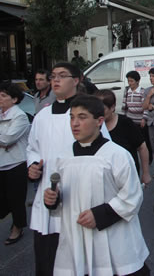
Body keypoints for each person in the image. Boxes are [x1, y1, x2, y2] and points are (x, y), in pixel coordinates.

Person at [43, 95, 149, 275]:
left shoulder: (116, 155)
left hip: (113, 238)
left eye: (82, 117)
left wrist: (100, 214)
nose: (74, 123)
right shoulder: (63, 157)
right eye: (72, 117)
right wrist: (52, 199)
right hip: (76, 238)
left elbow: (132, 195)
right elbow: (60, 196)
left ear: (99, 121)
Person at [27, 62, 110, 275]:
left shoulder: (87, 114)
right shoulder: (42, 117)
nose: (55, 80)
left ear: (76, 80)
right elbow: (33, 148)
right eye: (53, 76)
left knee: (79, 259)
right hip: (48, 194)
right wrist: (33, 166)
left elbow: (105, 151)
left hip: (79, 197)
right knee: (47, 259)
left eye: (62, 76)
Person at [95, 89, 151, 184]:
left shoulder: (125, 123)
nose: (98, 113)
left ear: (112, 107)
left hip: (127, 177)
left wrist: (145, 173)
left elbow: (142, 147)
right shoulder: (94, 126)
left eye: (103, 109)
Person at [0, 82, 30, 246]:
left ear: (14, 99)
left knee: (16, 199)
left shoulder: (20, 116)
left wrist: (4, 141)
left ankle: (17, 227)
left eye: (4, 95)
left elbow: (8, 139)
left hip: (15, 163)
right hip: (1, 163)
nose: (0, 98)